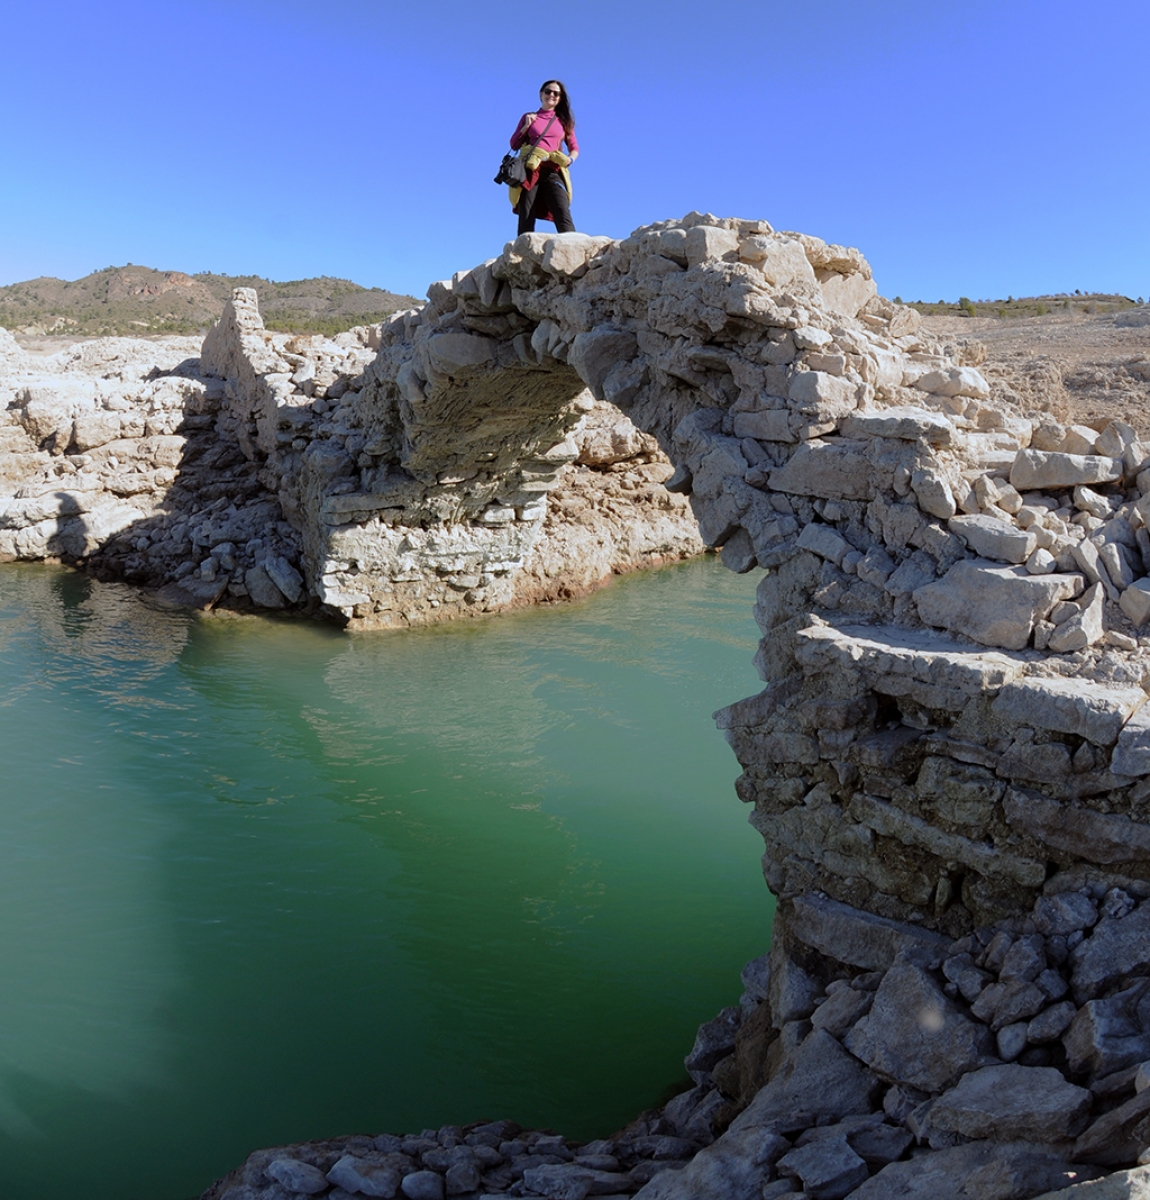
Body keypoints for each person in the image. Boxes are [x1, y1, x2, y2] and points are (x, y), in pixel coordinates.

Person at [509, 80, 579, 235]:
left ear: (560, 98)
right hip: (529, 169)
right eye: (548, 91)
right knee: (526, 213)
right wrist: (526, 126)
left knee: (562, 210)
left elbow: (574, 148)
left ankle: (573, 249)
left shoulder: (564, 121)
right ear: (541, 94)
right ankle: (523, 253)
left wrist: (569, 159)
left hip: (552, 169)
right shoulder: (529, 117)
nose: (551, 95)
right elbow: (514, 145)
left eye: (556, 93)